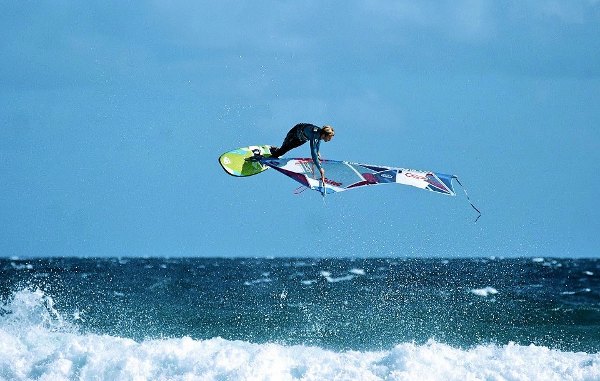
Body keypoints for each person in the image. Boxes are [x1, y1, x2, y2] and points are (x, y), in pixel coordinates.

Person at [270, 123, 335, 182]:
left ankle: (275, 150)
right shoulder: (315, 135)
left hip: (301, 139)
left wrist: (317, 152)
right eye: (329, 137)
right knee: (283, 149)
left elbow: (318, 142)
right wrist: (320, 169)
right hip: (294, 132)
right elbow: (313, 153)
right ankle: (266, 157)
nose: (330, 139)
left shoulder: (320, 135)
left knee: (284, 149)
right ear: (325, 135)